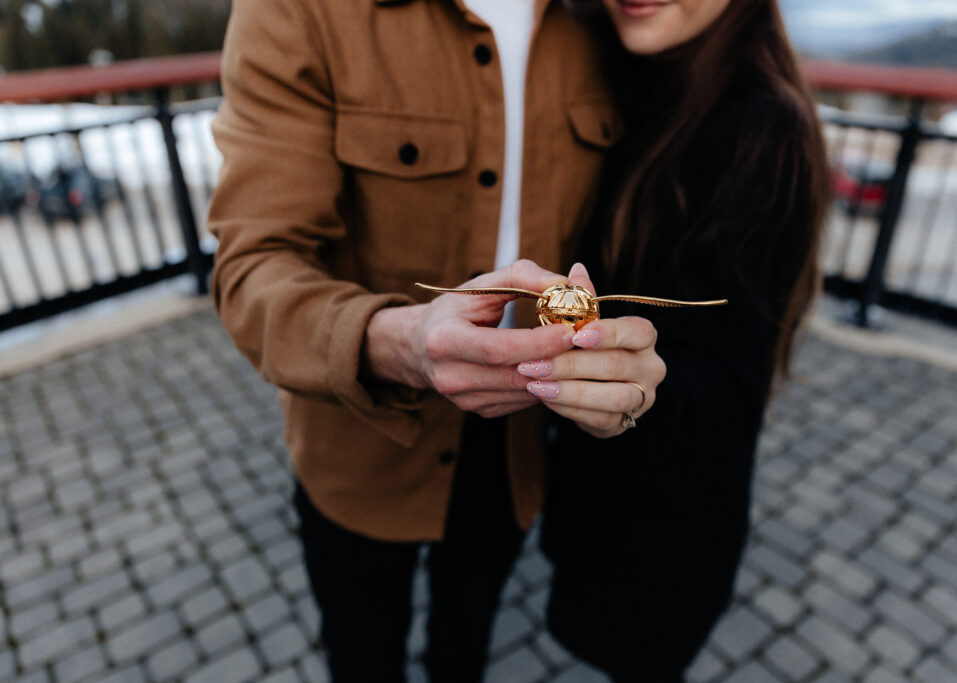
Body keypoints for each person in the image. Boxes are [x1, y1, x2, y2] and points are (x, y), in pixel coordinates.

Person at [206, 0, 666, 681]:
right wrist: (403, 340)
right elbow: (252, 269)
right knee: (363, 653)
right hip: (359, 446)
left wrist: (624, 363)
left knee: (466, 644)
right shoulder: (299, 10)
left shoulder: (607, 17)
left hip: (515, 448)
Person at [525, 0, 830, 680]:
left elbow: (731, 384)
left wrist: (639, 384)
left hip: (667, 528)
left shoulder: (761, 129)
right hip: (589, 492)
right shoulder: (618, 74)